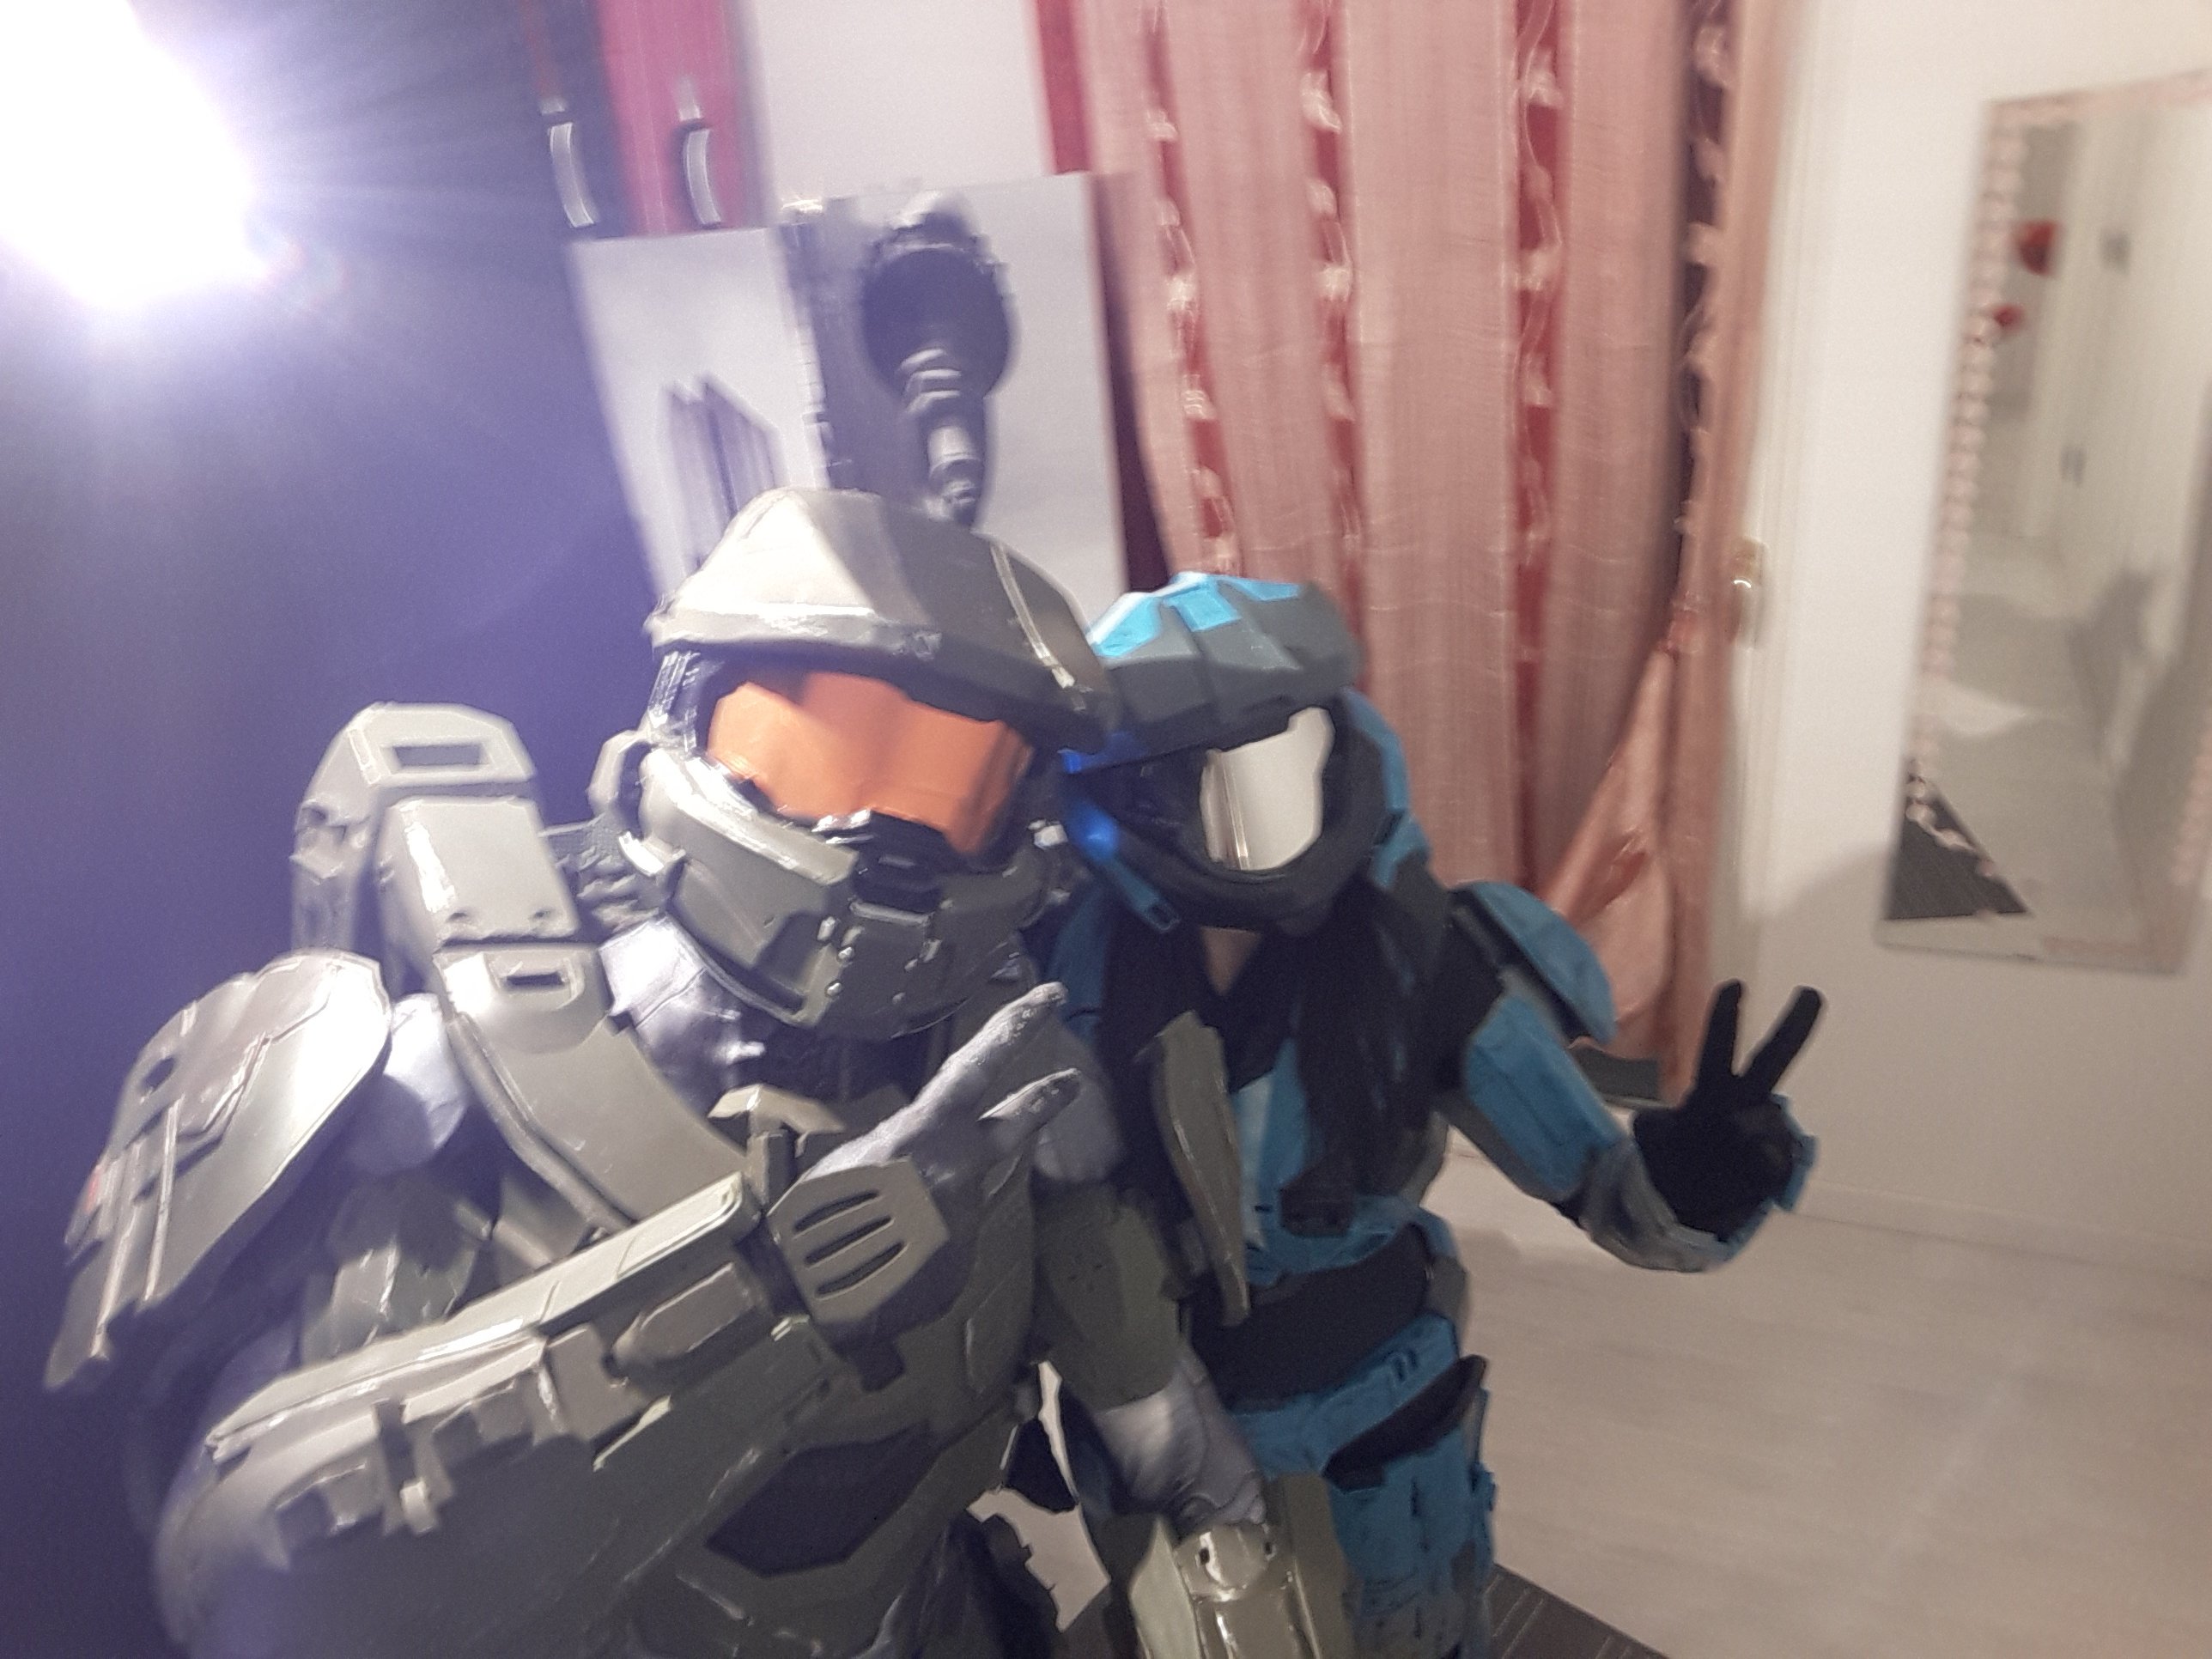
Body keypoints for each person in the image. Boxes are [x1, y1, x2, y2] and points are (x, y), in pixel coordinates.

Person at [46, 492, 1353, 1659]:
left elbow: (1180, 1460)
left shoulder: (1012, 1101)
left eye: (953, 785)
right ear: (683, 720)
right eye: (821, 745)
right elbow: (246, 1588)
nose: (875, 827)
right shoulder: (438, 1098)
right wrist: (768, 1295)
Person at [1042, 572, 1820, 1659]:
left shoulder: (1418, 957)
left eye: (1281, 755)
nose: (1254, 818)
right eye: (1209, 775)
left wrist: (1699, 1179)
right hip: (1159, 1420)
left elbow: (1613, 1197)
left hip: (1371, 1414)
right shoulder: (1066, 963)